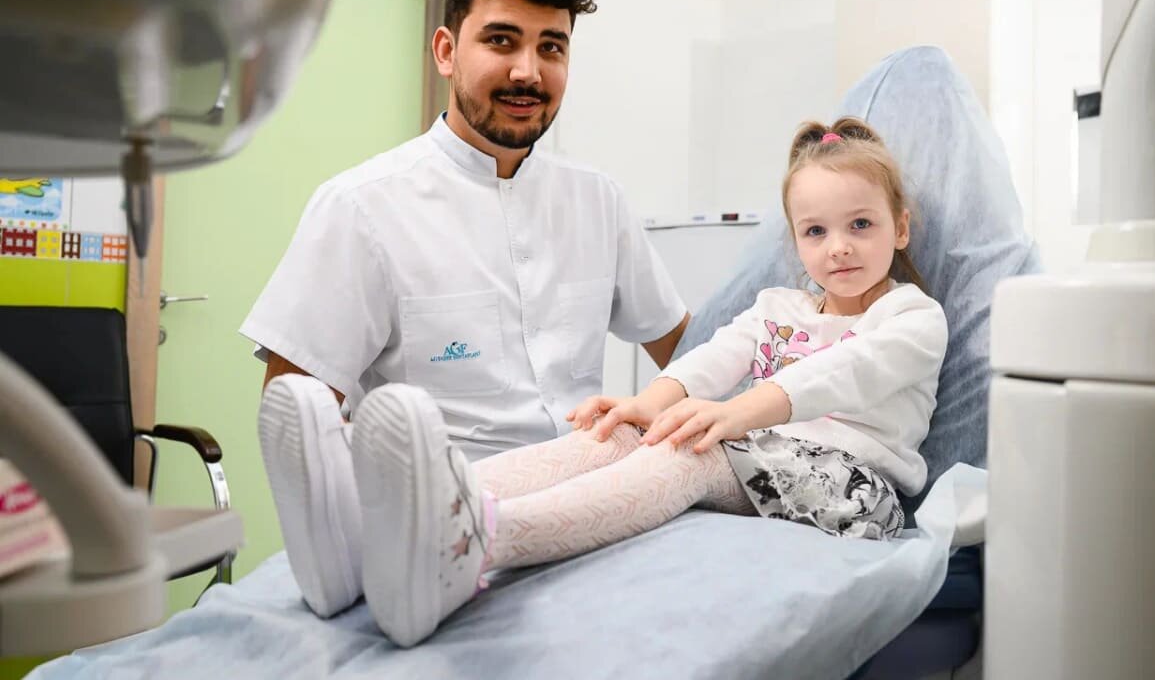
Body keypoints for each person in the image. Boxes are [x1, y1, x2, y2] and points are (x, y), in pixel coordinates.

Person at [341, 116, 950, 646]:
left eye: (861, 225)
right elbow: (713, 357)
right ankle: (380, 517)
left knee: (690, 452)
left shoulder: (913, 317)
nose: (838, 248)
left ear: (899, 228)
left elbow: (843, 372)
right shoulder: (778, 307)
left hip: (856, 490)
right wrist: (646, 404)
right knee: (615, 435)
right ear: (796, 240)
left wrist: (735, 414)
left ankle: (474, 540)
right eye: (816, 231)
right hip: (767, 456)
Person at [249, 0, 689, 618]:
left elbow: (688, 351)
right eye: (501, 41)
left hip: (587, 514)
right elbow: (297, 417)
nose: (528, 72)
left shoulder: (598, 202)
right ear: (447, 50)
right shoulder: (361, 207)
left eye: (551, 47)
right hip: (434, 526)